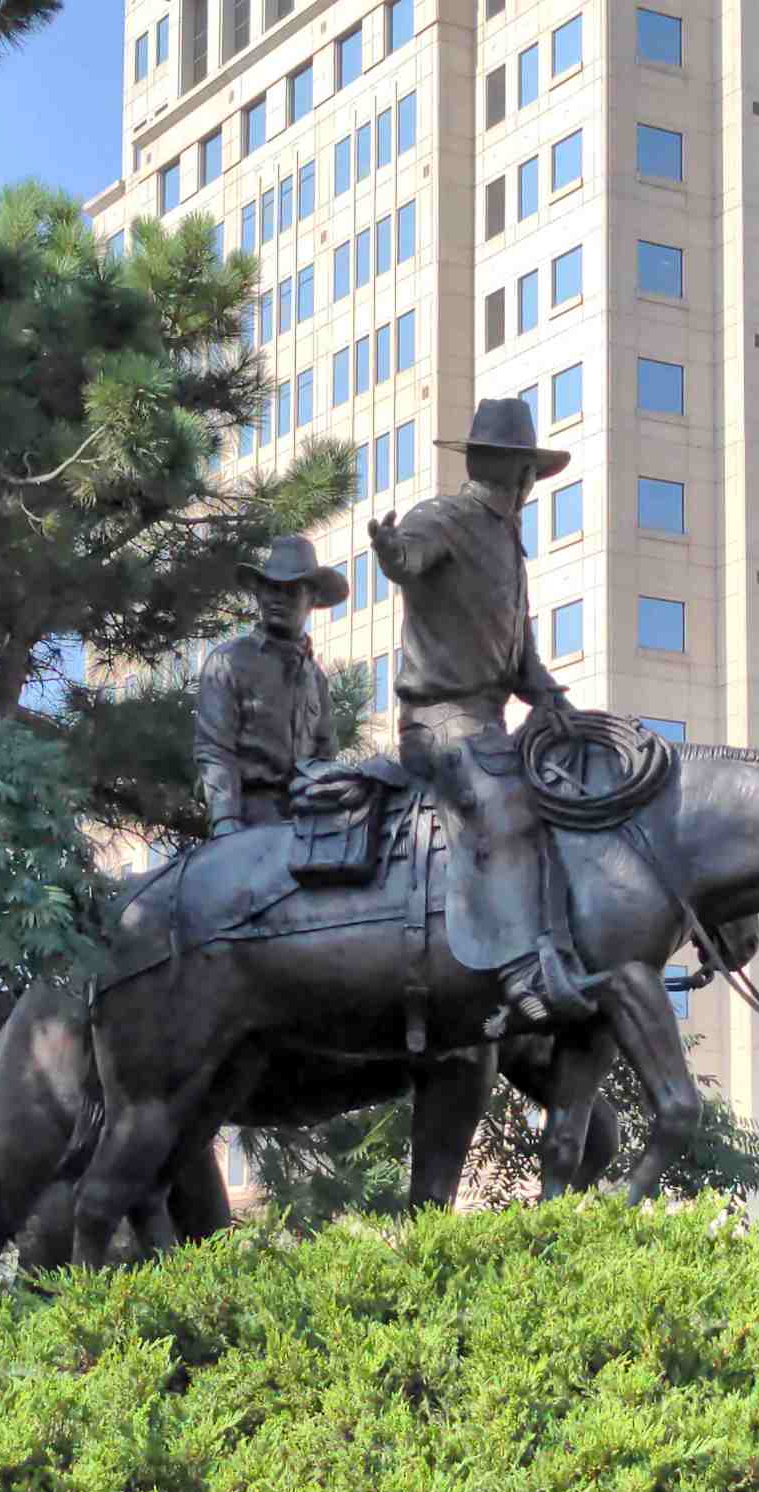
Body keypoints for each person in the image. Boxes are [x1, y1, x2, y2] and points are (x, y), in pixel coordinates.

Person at [367, 396, 590, 1032]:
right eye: (528, 475)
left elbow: (521, 658)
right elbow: (407, 560)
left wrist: (553, 699)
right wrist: (389, 552)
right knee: (500, 798)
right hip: (438, 722)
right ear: (516, 472)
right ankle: (518, 967)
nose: (528, 487)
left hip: (489, 723)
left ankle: (562, 945)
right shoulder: (445, 517)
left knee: (568, 783)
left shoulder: (507, 541)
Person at [193, 535, 348, 837]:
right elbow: (214, 749)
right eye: (271, 588)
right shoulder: (229, 661)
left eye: (291, 590)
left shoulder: (316, 679)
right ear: (259, 593)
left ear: (312, 598)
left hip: (306, 821)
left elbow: (325, 756)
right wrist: (225, 821)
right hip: (248, 819)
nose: (278, 598)